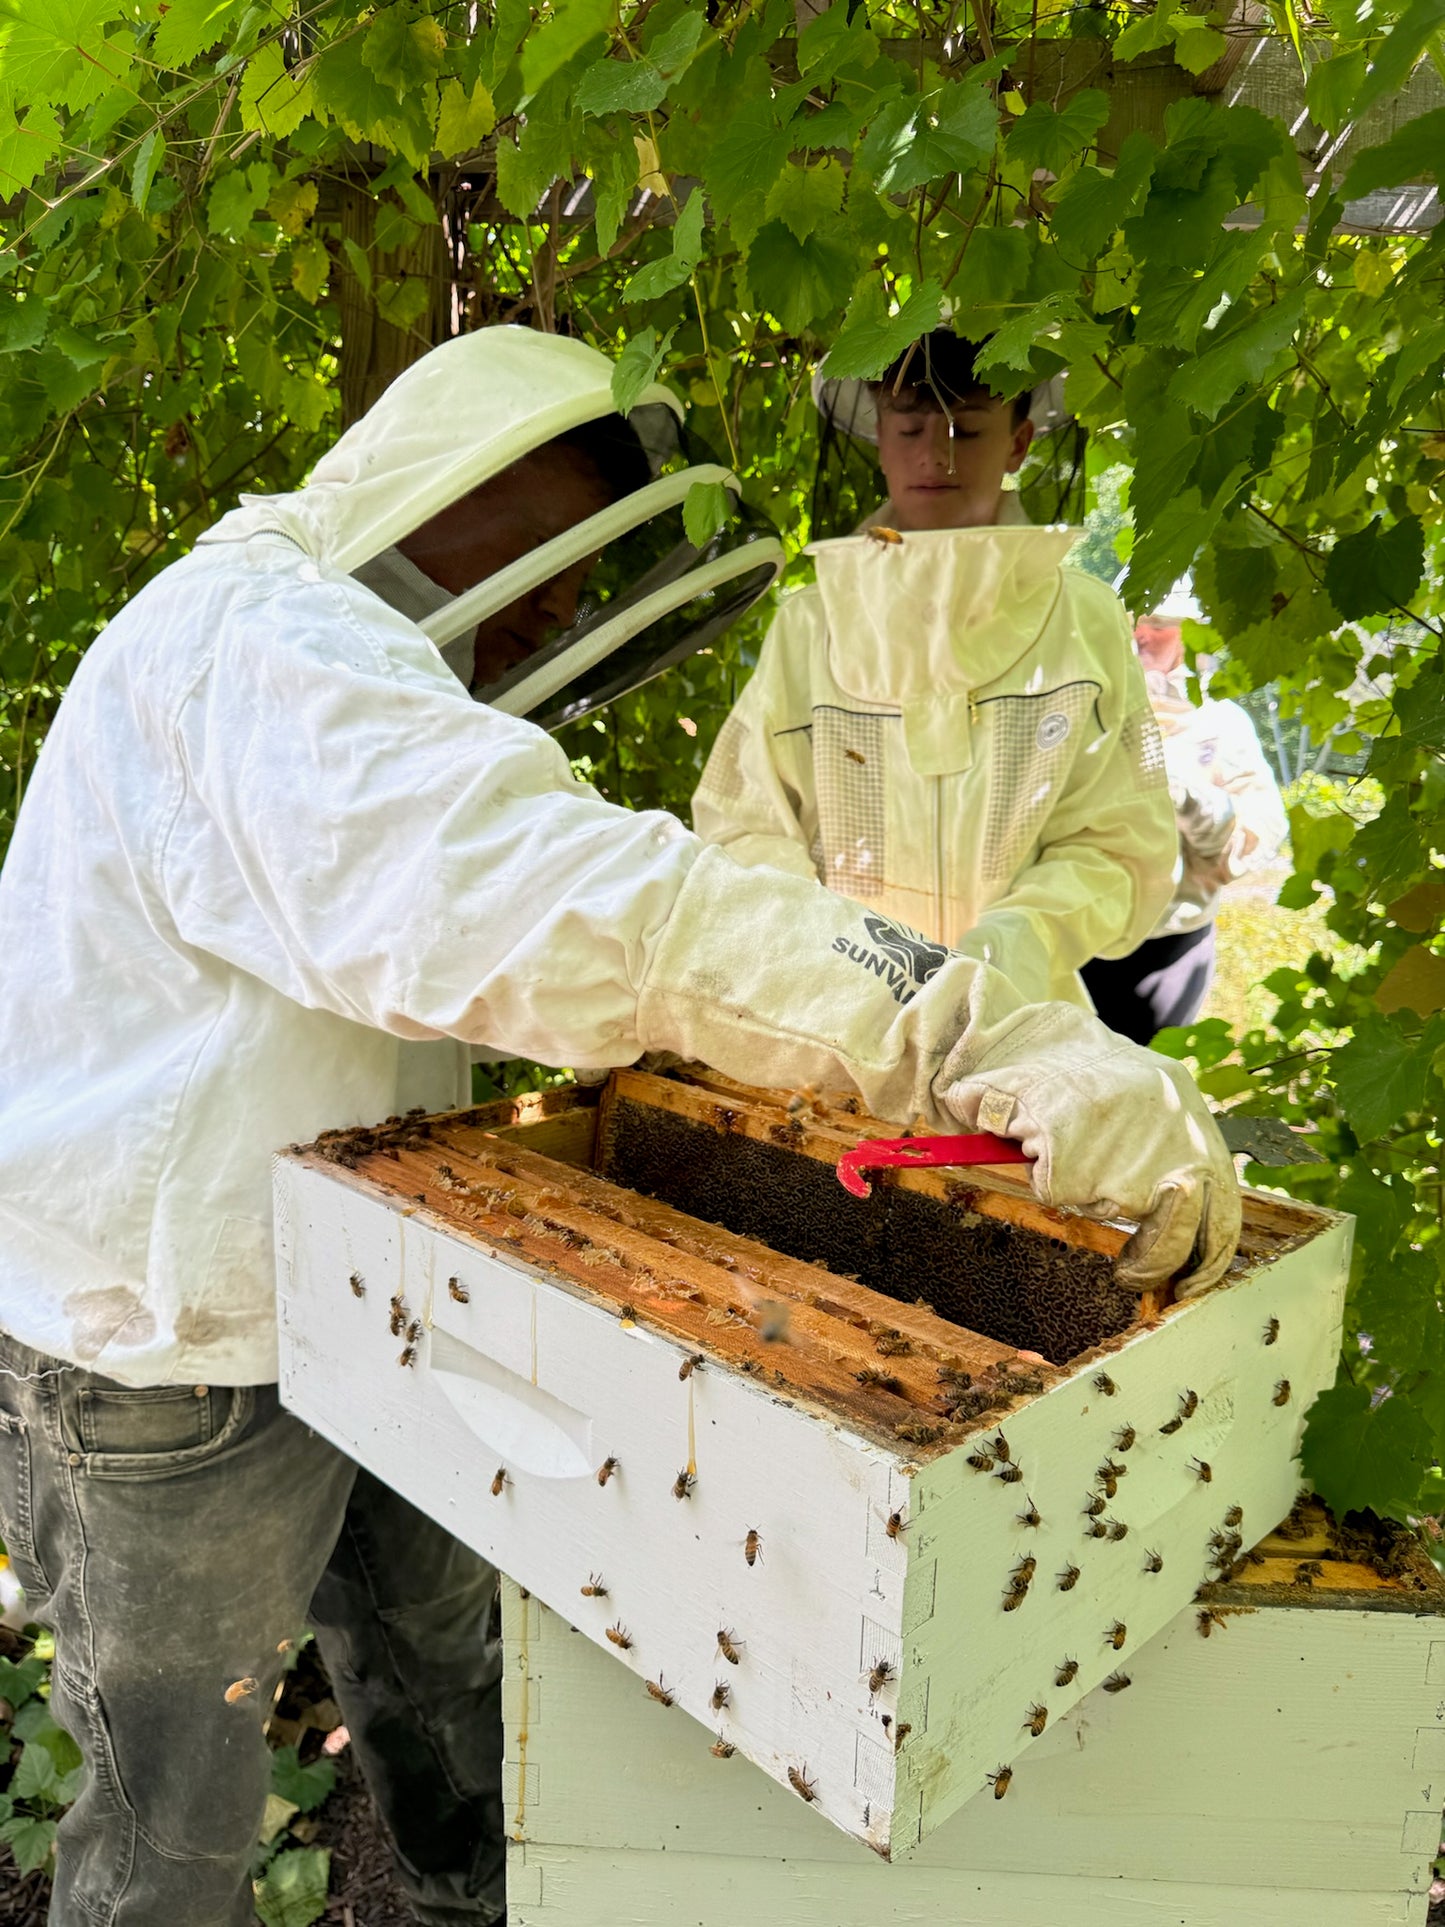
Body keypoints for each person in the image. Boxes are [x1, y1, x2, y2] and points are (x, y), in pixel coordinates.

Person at [0, 326, 1237, 1927]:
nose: (556, 611)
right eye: (548, 551)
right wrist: (963, 1029)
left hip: (363, 1275)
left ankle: (465, 1902)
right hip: (164, 1351)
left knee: (448, 1679)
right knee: (175, 1821)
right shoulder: (263, 648)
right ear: (460, 477)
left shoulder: (340, 649)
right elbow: (584, 906)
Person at [691, 329, 1180, 1010]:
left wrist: (1020, 937)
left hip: (1015, 1016)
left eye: (968, 430)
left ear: (1018, 442)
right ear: (877, 437)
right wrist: (835, 947)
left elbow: (1122, 844)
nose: (934, 454)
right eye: (909, 426)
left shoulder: (1085, 623)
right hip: (835, 1015)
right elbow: (742, 824)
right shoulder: (810, 626)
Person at [1081, 584, 1289, 1044]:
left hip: (1165, 954)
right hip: (1072, 938)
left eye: (1156, 622)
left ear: (1193, 636)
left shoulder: (1222, 723)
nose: (1139, 633)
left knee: (1134, 1093)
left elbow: (1259, 831)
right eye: (1130, 619)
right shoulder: (1082, 707)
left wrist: (1185, 797)